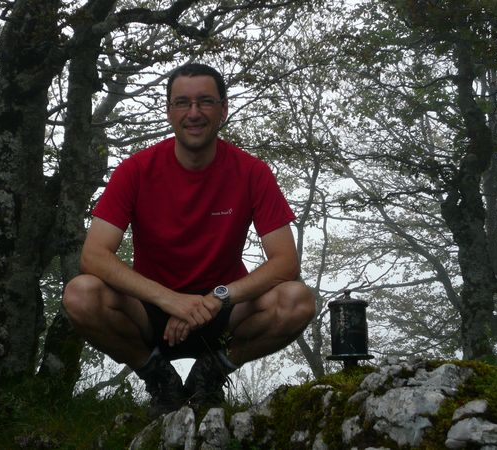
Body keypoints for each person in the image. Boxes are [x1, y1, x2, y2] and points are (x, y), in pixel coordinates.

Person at [62, 63, 316, 418]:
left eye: (205, 102)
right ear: (169, 111)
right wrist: (170, 300)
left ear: (223, 110)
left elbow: (286, 262)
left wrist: (215, 299)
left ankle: (212, 372)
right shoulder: (135, 170)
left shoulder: (252, 172)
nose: (193, 113)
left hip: (223, 312)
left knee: (297, 300)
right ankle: (157, 375)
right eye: (182, 103)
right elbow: (93, 256)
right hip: (149, 312)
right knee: (80, 294)